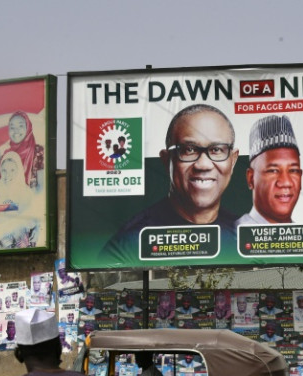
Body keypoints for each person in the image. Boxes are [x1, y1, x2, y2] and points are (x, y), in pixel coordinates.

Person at [101, 104, 240, 262]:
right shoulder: (129, 246)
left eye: (216, 150)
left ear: (233, 160)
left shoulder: (243, 235)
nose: (203, 165)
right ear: (167, 161)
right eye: (189, 150)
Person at [236, 114, 302, 225]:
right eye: (273, 170)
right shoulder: (234, 235)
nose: (286, 182)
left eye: (293, 170)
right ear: (251, 178)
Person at [5, 110, 44, 189]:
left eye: (20, 126)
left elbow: (43, 188)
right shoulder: (6, 156)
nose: (16, 130)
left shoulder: (39, 153)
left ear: (28, 127)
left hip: (35, 200)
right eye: (12, 127)